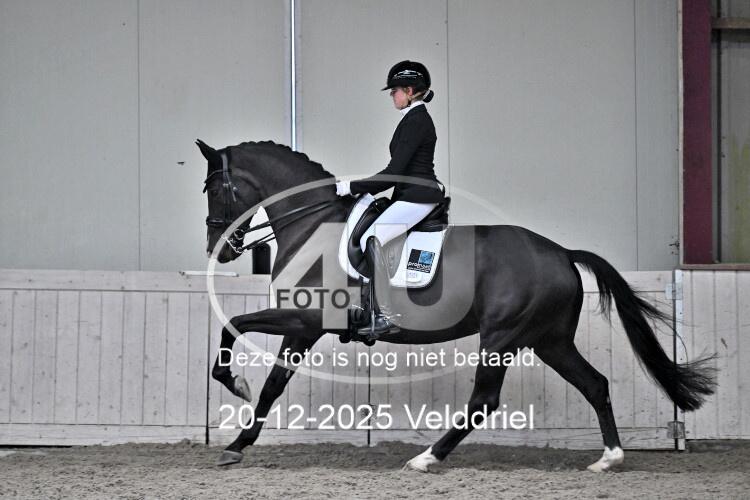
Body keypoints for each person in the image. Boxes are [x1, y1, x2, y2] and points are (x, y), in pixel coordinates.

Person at [335, 60, 446, 336]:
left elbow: (394, 172)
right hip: (409, 195)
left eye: (395, 90)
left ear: (410, 90)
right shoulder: (411, 119)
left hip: (418, 197)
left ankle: (385, 314)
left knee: (371, 238)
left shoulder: (417, 121)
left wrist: (351, 186)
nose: (392, 96)